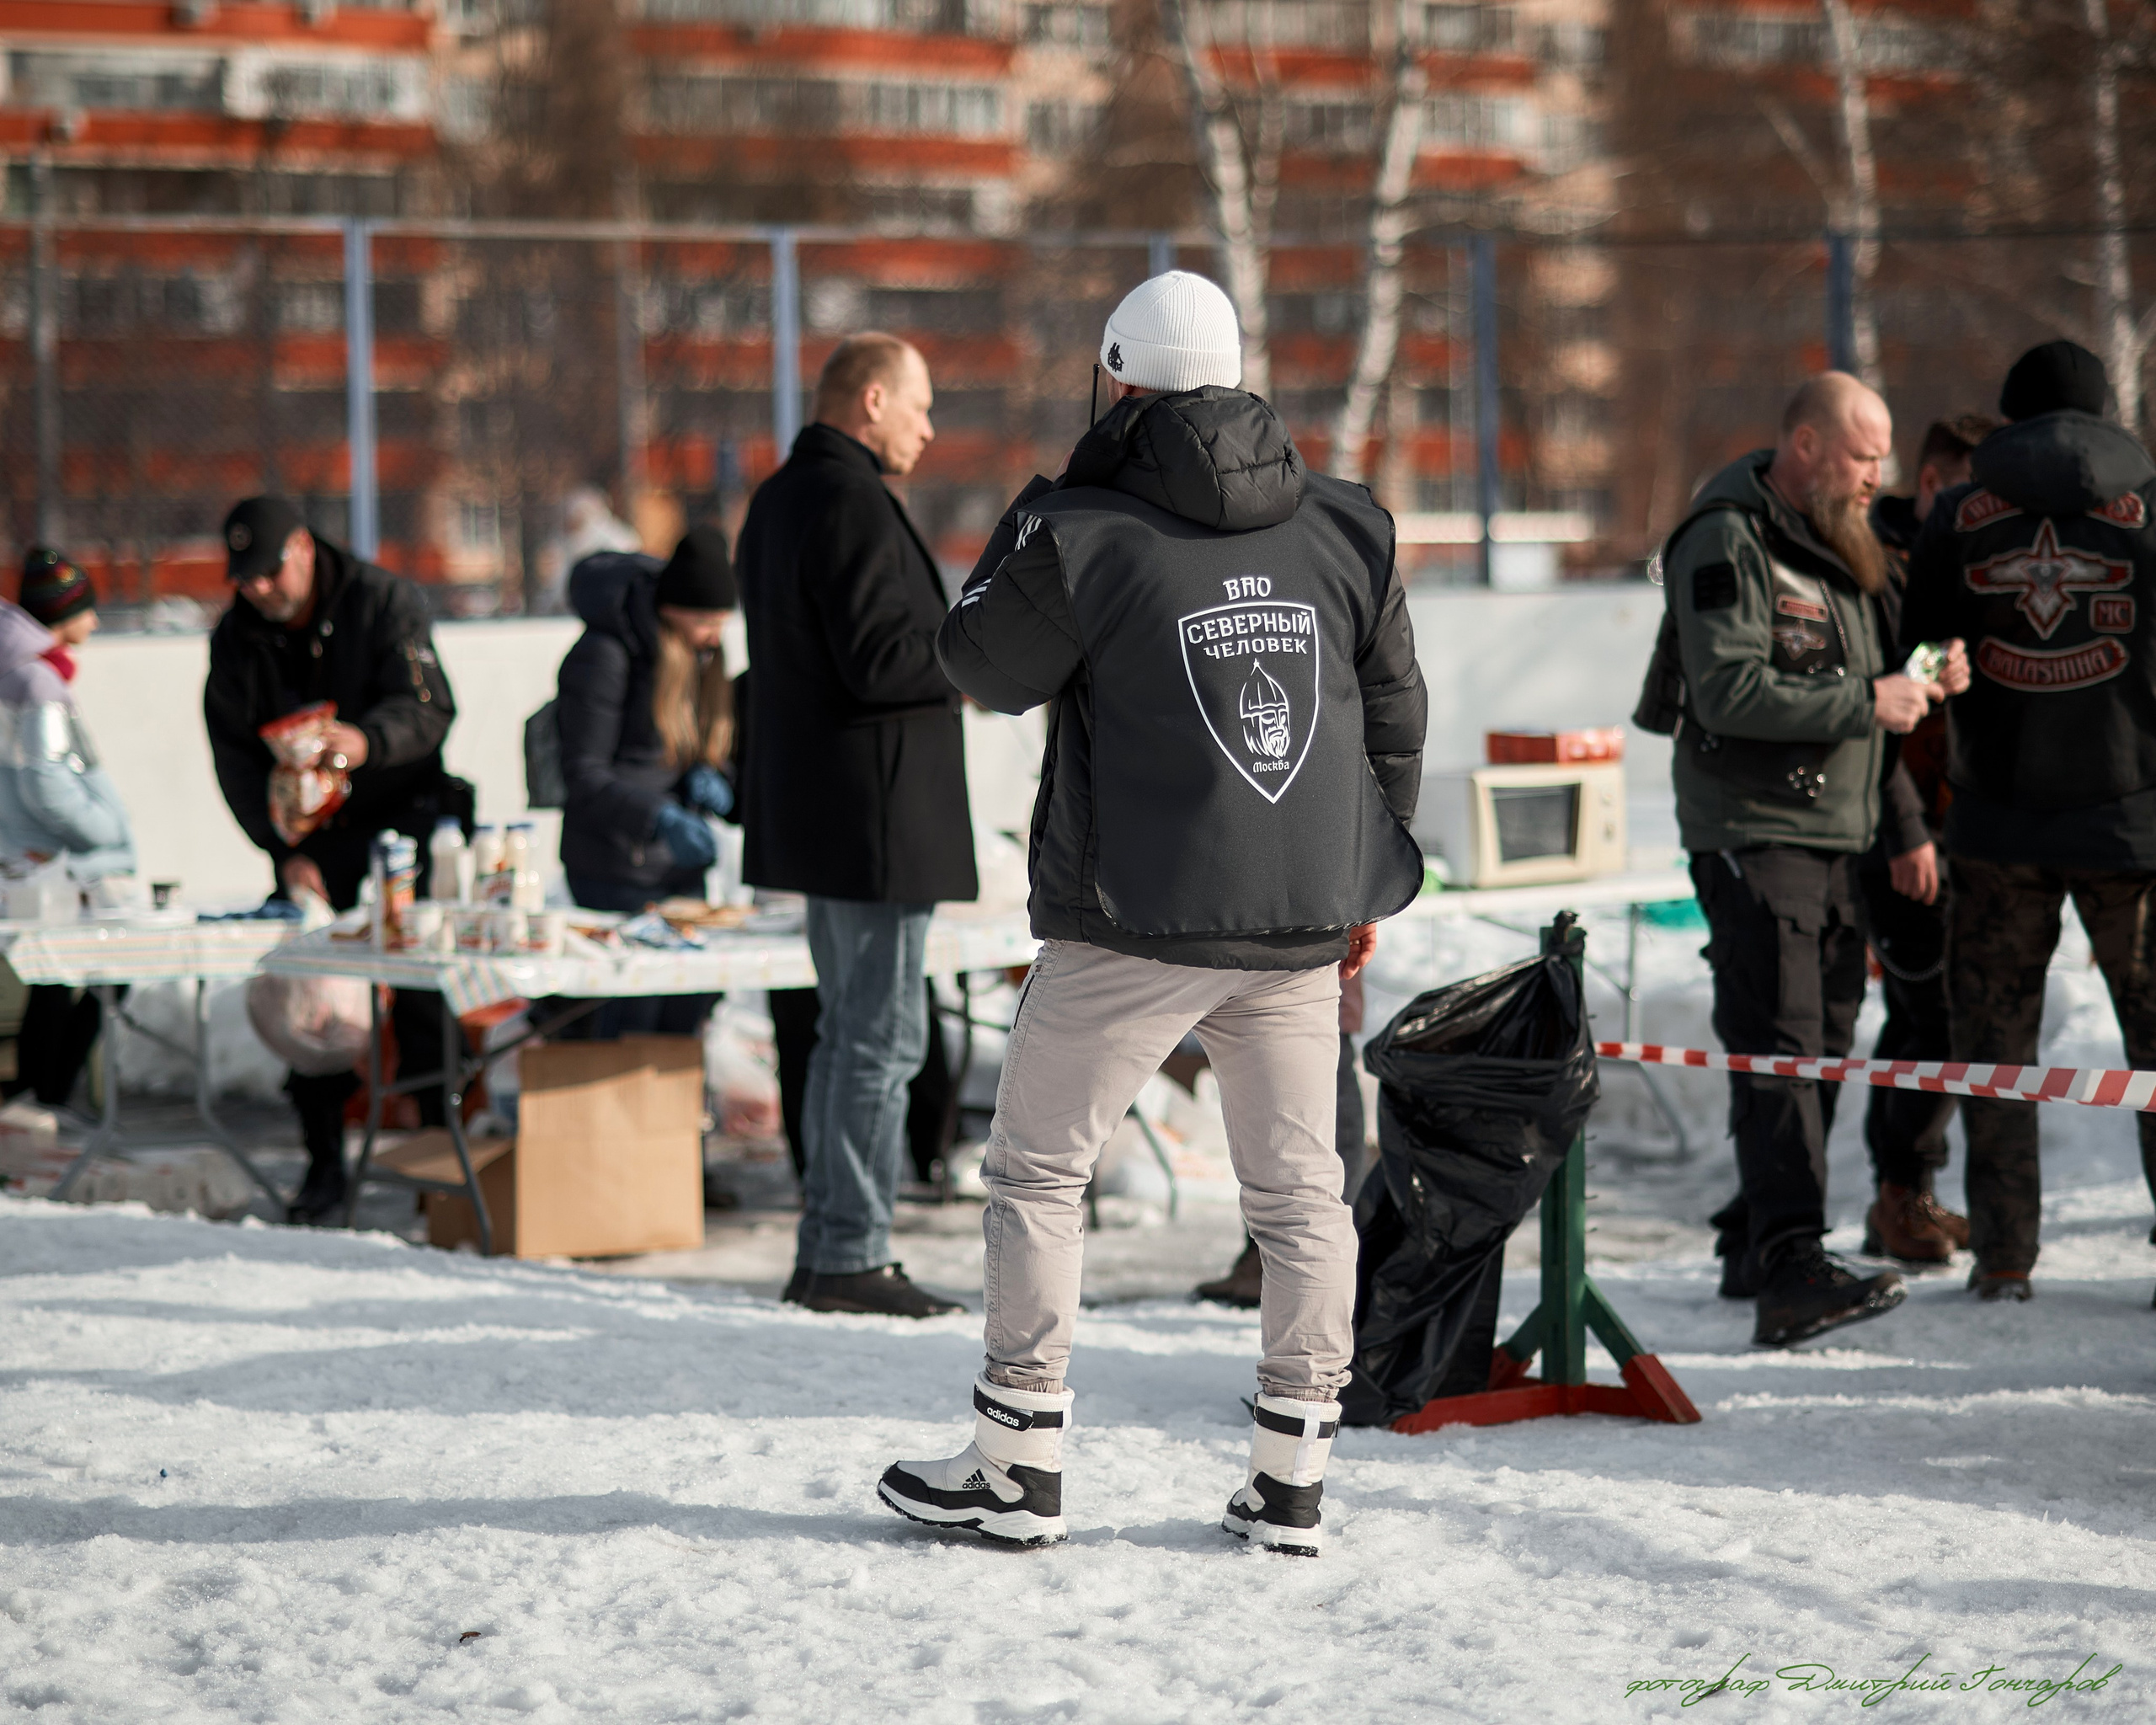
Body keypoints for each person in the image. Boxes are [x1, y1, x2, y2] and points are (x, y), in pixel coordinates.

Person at [877, 270, 1427, 1554]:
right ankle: (1293, 1480)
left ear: (1115, 383)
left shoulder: (1083, 530)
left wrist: (1038, 511)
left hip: (1132, 916)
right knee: (1301, 1197)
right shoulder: (1349, 522)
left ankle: (1017, 1464)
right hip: (1294, 918)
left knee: (1036, 1171)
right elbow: (1393, 718)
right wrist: (1361, 879)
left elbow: (974, 662)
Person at [1636, 372, 1971, 1348]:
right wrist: (1868, 702)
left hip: (1833, 831)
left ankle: (1759, 1239)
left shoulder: (1833, 540)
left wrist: (1917, 686)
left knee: (1813, 1041)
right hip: (1755, 832)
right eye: (1866, 454)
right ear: (1809, 445)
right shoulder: (1727, 537)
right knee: (1782, 1046)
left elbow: (1857, 683)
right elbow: (1732, 688)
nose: (1882, 475)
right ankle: (1789, 1267)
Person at [1902, 341, 2156, 1301]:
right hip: (2134, 825)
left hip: (1998, 824)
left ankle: (2003, 1254)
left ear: (2009, 417)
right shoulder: (2150, 505)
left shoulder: (1960, 514)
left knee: (1996, 1051)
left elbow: (1918, 656)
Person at [734, 333, 977, 1318]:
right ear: (871, 400)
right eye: (919, 405)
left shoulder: (784, 495)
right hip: (873, 821)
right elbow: (883, 660)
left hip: (830, 815)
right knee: (878, 1040)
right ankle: (848, 1250)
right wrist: (980, 650)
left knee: (851, 1038)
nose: (929, 425)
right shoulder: (848, 499)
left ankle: (833, 1244)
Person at [203, 497, 468, 1226]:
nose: (257, 589)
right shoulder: (236, 641)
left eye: (267, 572)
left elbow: (430, 707)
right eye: (243, 578)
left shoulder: (382, 600)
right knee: (309, 996)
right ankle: (323, 1164)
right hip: (310, 843)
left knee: (420, 993)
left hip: (402, 822)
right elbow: (233, 759)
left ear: (304, 549)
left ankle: (441, 1158)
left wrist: (366, 741)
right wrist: (282, 849)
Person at [1856, 415, 1997, 1263]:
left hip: (1946, 818)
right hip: (1893, 824)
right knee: (1935, 1017)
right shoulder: (1884, 563)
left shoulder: (1949, 555)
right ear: (1941, 484)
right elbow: (1878, 696)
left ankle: (1903, 1192)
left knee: (1919, 1016)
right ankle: (1898, 1196)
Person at [554, 526, 736, 1038]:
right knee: (630, 1018)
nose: (714, 635)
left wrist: (712, 776)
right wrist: (656, 818)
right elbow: (584, 774)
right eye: (704, 620)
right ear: (671, 610)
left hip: (678, 872)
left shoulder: (698, 656)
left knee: (687, 1008)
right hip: (612, 866)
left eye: (721, 622)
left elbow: (685, 745)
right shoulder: (604, 657)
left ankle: (672, 1117)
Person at [0, 548, 135, 1108]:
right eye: (87, 609)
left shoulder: (16, 670)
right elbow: (46, 783)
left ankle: (37, 1102)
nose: (95, 622)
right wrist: (106, 830)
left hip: (23, 859)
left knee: (54, 980)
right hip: (44, 862)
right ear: (62, 613)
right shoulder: (37, 682)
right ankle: (46, 1101)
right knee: (110, 966)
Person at [1193, 964, 1373, 1306]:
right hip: (1268, 972)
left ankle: (1317, 1266)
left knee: (1313, 1149)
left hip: (1312, 982)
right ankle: (1267, 1256)